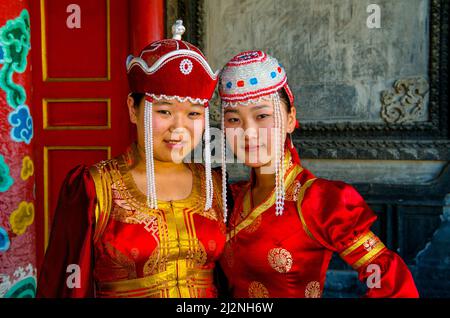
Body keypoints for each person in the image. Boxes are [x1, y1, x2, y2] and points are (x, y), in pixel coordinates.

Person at [37, 21, 226, 298]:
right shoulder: (94, 187)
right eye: (164, 112)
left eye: (193, 114)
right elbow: (65, 284)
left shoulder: (215, 186)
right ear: (133, 109)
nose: (179, 128)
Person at [217, 50, 419, 298]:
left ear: (291, 119)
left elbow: (387, 275)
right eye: (234, 119)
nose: (248, 133)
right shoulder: (233, 197)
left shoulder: (318, 201)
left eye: (262, 116)